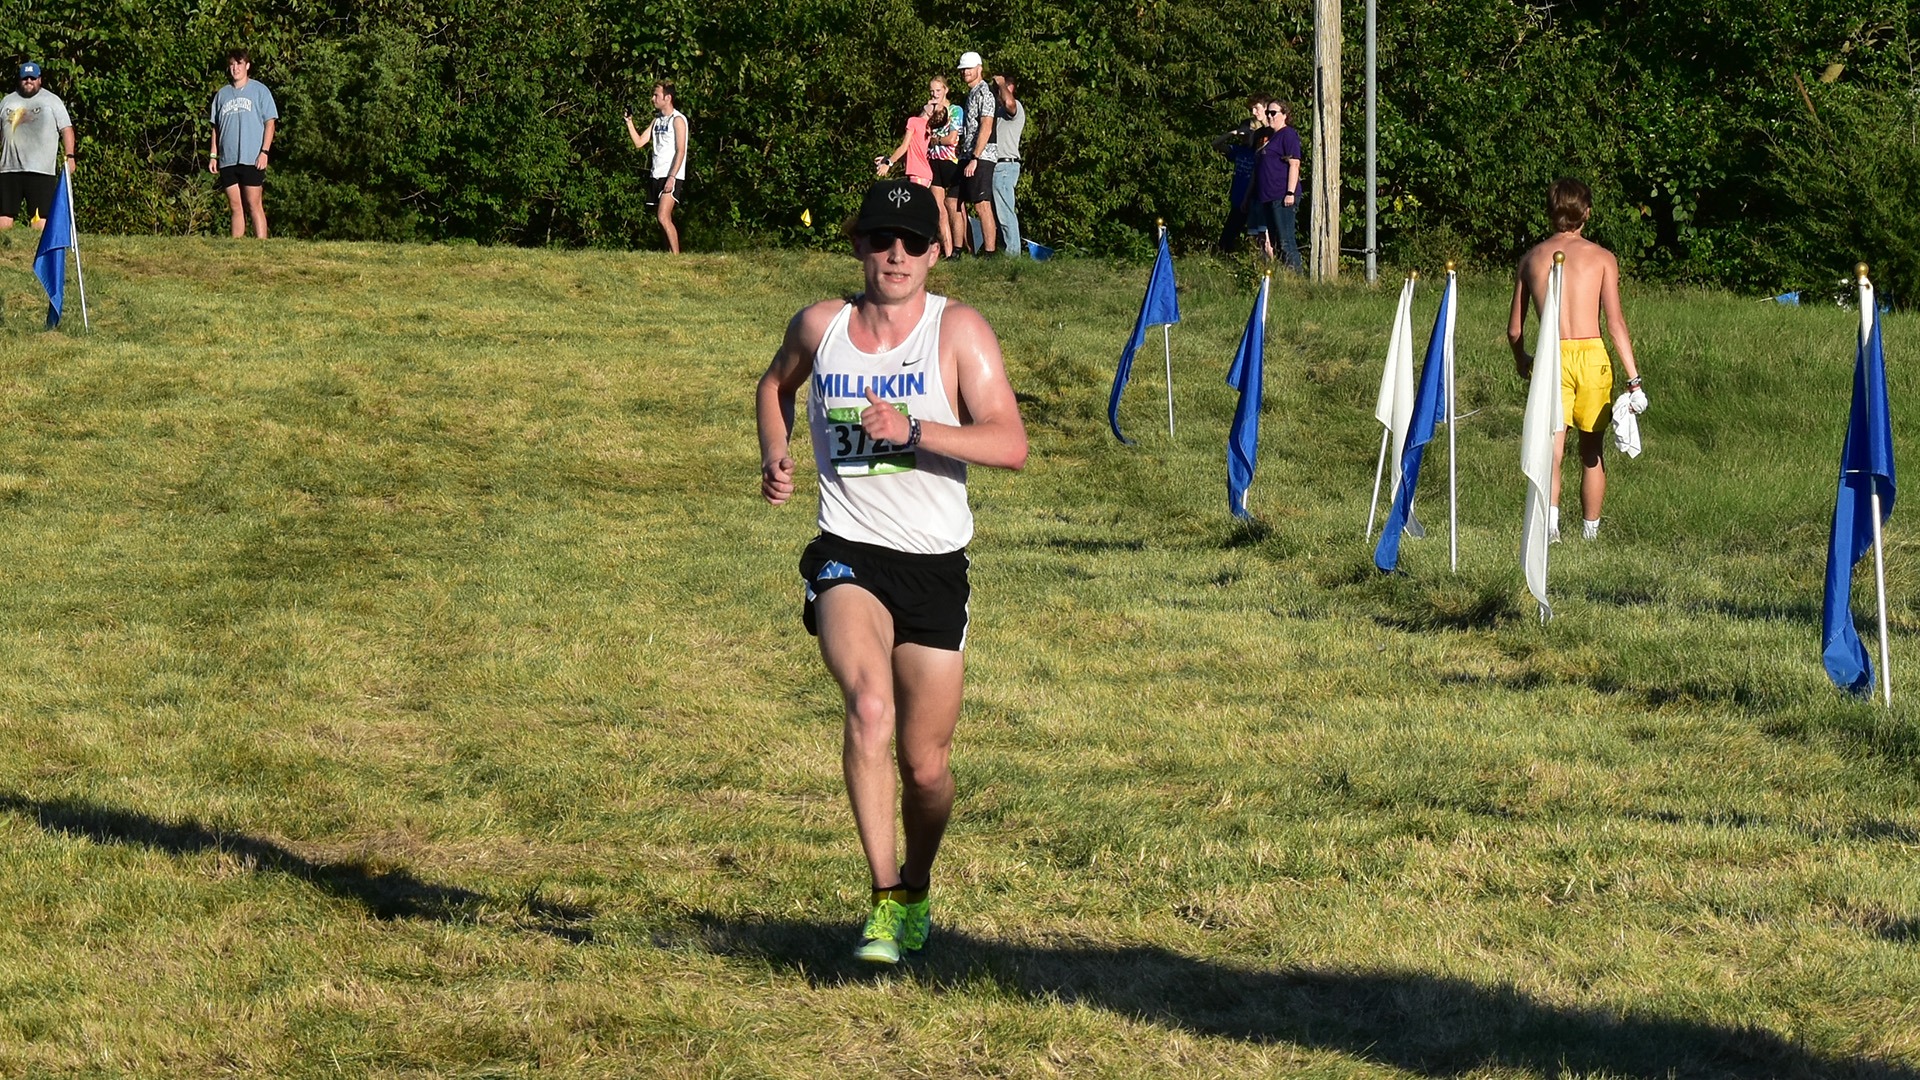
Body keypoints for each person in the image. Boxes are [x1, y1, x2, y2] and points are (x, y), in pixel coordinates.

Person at [756, 180, 1028, 965]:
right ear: (859, 246)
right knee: (869, 708)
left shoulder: (960, 333)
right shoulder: (821, 325)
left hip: (935, 566)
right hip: (850, 549)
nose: (897, 255)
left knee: (927, 767)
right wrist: (775, 452)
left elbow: (1010, 443)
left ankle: (916, 883)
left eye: (912, 242)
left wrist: (915, 430)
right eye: (881, 240)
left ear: (936, 251)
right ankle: (882, 901)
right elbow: (774, 386)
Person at [1509, 178, 1645, 542]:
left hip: (1552, 355)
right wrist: (1634, 379)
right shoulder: (1602, 258)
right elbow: (1615, 323)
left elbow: (1514, 329)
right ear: (1586, 212)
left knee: (1552, 448)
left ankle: (1550, 527)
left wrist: (1522, 359)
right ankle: (1590, 532)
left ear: (1551, 213)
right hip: (1591, 355)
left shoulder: (1532, 258)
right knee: (1591, 449)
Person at [208, 49, 278, 239]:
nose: (235, 68)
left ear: (247, 66)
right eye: (232, 64)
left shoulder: (260, 91)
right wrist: (213, 155)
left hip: (252, 157)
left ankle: (262, 246)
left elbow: (270, 123)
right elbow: (216, 128)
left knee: (254, 204)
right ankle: (236, 248)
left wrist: (264, 151)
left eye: (239, 64)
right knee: (235, 206)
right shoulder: (222, 95)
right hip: (228, 159)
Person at [0, 62, 75, 232]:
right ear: (19, 80)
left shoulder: (52, 101)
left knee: (40, 217)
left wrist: (70, 156)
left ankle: (36, 252)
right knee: (4, 214)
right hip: (9, 169)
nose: (28, 81)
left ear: (39, 79)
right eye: (25, 78)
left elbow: (67, 130)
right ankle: (5, 252)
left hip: (40, 170)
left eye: (32, 78)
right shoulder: (7, 101)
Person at [625, 80, 688, 253]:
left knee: (663, 216)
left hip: (671, 175)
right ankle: (667, 254)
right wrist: (629, 122)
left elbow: (681, 151)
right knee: (661, 220)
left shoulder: (678, 120)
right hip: (656, 173)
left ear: (667, 98)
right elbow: (639, 142)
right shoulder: (657, 120)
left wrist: (672, 177)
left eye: (656, 95)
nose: (653, 98)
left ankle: (676, 257)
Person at [1245, 99, 1301, 271]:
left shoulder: (1288, 134)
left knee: (1286, 240)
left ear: (1284, 115)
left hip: (1281, 195)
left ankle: (1295, 275)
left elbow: (1294, 163)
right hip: (1267, 196)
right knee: (1275, 241)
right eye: (1268, 112)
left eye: (1273, 113)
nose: (1269, 116)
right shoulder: (1269, 137)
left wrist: (1290, 192)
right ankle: (1284, 274)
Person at [955, 51, 998, 255]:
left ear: (979, 69)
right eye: (963, 69)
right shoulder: (971, 94)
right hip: (967, 154)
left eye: (969, 68)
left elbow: (986, 126)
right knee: (956, 200)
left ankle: (989, 251)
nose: (965, 73)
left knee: (982, 204)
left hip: (982, 156)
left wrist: (975, 157)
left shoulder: (985, 94)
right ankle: (967, 249)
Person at [1212, 95, 1266, 251]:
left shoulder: (1259, 151)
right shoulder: (1239, 151)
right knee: (1227, 237)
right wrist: (1234, 133)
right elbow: (1216, 144)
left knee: (1258, 237)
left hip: (1252, 198)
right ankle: (1225, 256)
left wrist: (1252, 133)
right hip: (1237, 200)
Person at [988, 70, 1025, 258]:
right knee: (996, 213)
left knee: (1005, 213)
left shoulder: (1014, 107)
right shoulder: (996, 112)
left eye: (1003, 89)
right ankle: (1004, 251)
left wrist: (1002, 83)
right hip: (995, 166)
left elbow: (1009, 102)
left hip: (1005, 166)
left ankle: (1013, 254)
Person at [926, 76, 963, 257]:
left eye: (938, 91)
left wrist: (936, 140)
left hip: (951, 162)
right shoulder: (929, 112)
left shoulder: (955, 110)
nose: (934, 95)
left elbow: (951, 138)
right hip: (933, 161)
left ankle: (960, 247)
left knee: (954, 206)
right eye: (932, 91)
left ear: (946, 90)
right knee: (939, 209)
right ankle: (948, 251)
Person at [875, 98, 936, 188]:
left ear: (931, 113)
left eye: (933, 105)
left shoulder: (913, 121)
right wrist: (887, 158)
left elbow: (904, 147)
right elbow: (910, 154)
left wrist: (888, 164)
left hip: (917, 174)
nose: (930, 101)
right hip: (923, 175)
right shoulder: (927, 127)